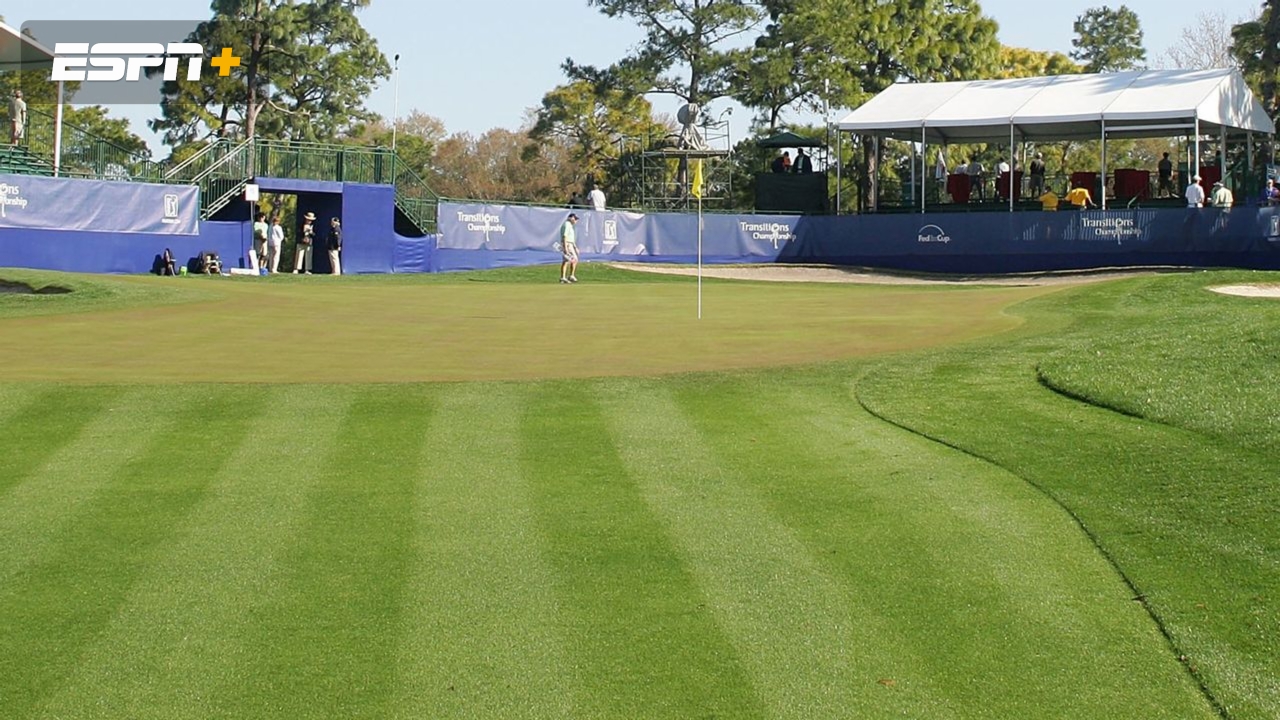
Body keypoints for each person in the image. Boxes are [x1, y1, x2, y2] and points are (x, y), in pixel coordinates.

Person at [559, 212, 579, 284]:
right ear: (571, 218)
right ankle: (570, 276)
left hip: (569, 244)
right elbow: (565, 236)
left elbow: (571, 238)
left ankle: (564, 277)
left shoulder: (570, 225)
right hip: (567, 244)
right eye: (575, 219)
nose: (576, 221)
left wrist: (575, 247)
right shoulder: (567, 224)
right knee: (573, 260)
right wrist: (565, 248)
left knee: (567, 261)